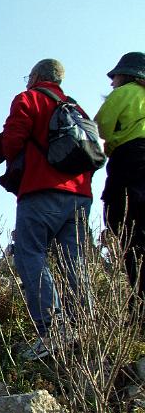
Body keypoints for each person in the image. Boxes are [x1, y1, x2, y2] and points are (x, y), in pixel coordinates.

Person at [1, 59, 94, 360]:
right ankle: (84, 327)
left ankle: (53, 331)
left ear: (37, 76)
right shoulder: (75, 107)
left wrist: (4, 153)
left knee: (30, 254)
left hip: (41, 191)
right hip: (80, 194)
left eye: (28, 75)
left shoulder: (28, 98)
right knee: (74, 261)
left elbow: (14, 139)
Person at [94, 52, 145, 302]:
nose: (112, 82)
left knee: (127, 230)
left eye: (115, 77)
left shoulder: (125, 93)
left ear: (127, 74)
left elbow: (98, 127)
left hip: (131, 162)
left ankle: (140, 309)